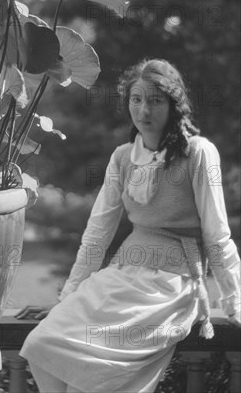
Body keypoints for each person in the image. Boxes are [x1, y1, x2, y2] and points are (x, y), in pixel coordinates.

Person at [16, 58, 241, 393]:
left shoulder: (198, 153)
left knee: (94, 376)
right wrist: (69, 296)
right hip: (122, 276)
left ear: (173, 105)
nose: (144, 110)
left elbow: (217, 232)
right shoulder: (123, 157)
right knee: (42, 343)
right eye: (136, 99)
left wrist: (234, 303)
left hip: (171, 283)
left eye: (155, 100)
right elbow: (98, 232)